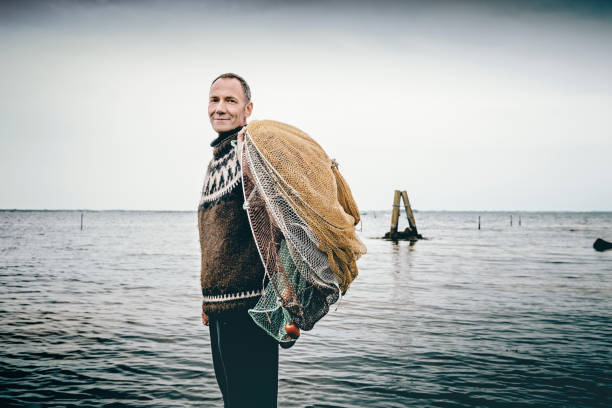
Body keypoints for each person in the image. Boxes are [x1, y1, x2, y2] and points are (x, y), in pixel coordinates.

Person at [198, 73, 279, 407]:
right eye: (215, 99)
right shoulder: (218, 159)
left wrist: (281, 295)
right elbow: (216, 238)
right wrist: (208, 300)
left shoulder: (250, 154)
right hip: (220, 309)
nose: (220, 108)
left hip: (251, 308)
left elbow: (276, 225)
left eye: (230, 101)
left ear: (248, 110)